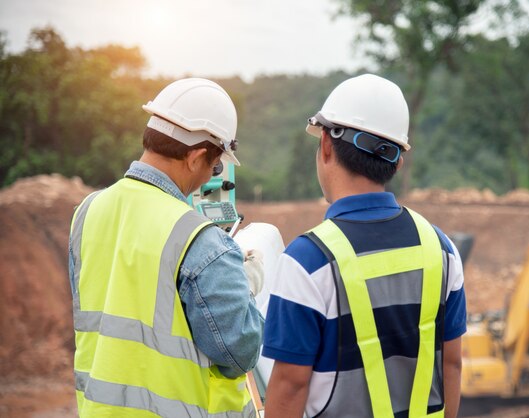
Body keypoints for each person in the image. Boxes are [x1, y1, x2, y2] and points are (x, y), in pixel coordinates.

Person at [262, 74, 467, 418]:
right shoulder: (441, 250)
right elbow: (453, 363)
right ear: (397, 161)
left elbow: (290, 386)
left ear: (326, 145)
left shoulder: (306, 261)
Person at [68, 78, 264, 417]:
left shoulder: (88, 210)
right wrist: (244, 284)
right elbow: (239, 352)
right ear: (195, 157)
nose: (210, 178)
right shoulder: (199, 239)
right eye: (214, 166)